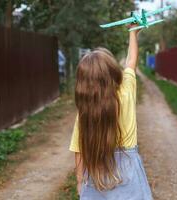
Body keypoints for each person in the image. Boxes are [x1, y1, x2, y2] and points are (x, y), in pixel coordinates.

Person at [69, 25, 153, 200]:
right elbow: (131, 61)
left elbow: (79, 150)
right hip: (129, 171)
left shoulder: (85, 110)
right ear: (113, 71)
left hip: (95, 175)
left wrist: (80, 182)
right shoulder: (126, 92)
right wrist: (133, 33)